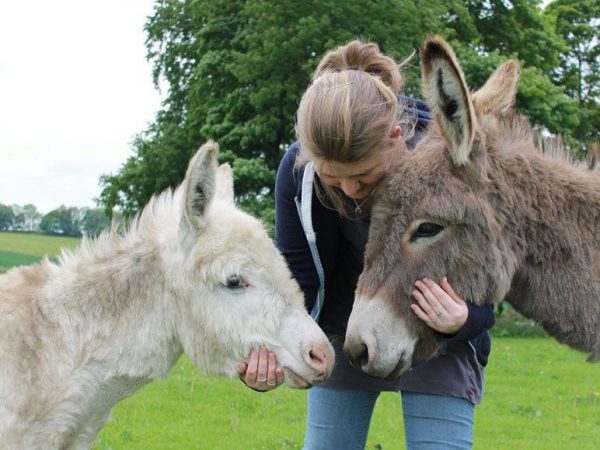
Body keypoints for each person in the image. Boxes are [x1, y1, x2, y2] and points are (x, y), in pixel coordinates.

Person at [238, 40, 495, 450]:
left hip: (436, 334)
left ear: (395, 137)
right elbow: (295, 281)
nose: (350, 190)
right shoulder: (298, 172)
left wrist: (464, 319)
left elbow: (491, 281)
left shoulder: (450, 160)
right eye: (333, 179)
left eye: (363, 175)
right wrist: (265, 344)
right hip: (344, 328)